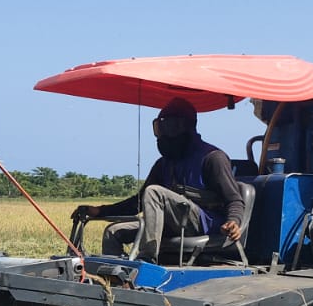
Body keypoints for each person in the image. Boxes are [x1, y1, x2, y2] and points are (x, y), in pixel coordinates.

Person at [73, 97, 245, 261]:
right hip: (170, 224)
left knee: (154, 192)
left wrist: (233, 221)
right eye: (160, 128)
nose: (165, 134)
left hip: (202, 224)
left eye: (171, 127)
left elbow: (235, 200)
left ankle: (147, 259)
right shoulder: (163, 164)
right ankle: (115, 276)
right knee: (113, 232)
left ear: (188, 127)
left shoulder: (212, 158)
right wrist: (100, 211)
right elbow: (138, 203)